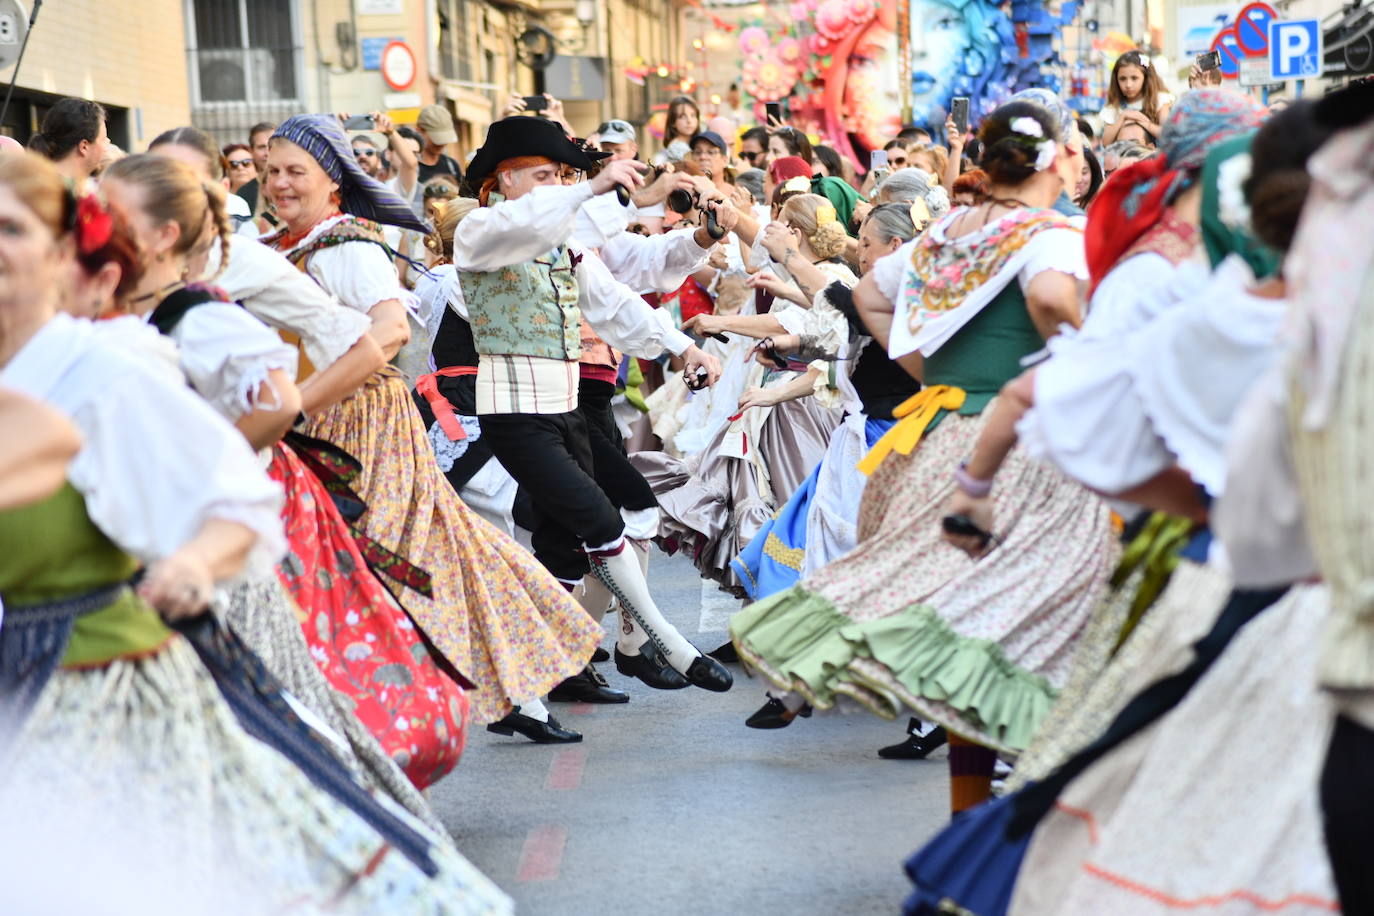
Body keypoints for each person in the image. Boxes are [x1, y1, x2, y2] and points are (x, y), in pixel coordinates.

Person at [0, 151, 510, 913]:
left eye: (12, 228)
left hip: (114, 660)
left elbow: (361, 345)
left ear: (74, 257)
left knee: (270, 775)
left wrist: (195, 541)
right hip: (35, 667)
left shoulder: (134, 351)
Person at [731, 97, 1112, 817]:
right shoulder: (1051, 237)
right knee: (1025, 628)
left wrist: (930, 373)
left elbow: (869, 298)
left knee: (962, 625)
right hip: (1021, 450)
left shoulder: (943, 239)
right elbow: (1059, 300)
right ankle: (1009, 803)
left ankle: (971, 810)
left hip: (936, 441)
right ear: (1052, 160)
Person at [100, 152, 469, 812]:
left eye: (111, 212)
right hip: (186, 512)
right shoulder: (114, 295)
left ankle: (349, 823)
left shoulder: (236, 282)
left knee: (288, 683)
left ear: (163, 236)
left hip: (277, 478)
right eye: (270, 172)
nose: (278, 183)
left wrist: (250, 436)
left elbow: (373, 337)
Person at [263, 113, 604, 743]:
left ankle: (492, 687)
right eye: (272, 169)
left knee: (408, 562)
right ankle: (507, 693)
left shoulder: (349, 249)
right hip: (305, 428)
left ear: (332, 181)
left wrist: (299, 403)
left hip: (356, 424)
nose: (279, 182)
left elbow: (391, 331)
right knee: (405, 560)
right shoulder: (277, 248)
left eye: (295, 171)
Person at [448, 114, 735, 694]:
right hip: (514, 412)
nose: (553, 185)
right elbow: (527, 222)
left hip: (570, 405)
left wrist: (682, 349)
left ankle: (530, 691)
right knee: (604, 518)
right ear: (503, 181)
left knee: (576, 539)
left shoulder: (564, 243)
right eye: (539, 175)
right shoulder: (479, 232)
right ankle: (662, 642)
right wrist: (602, 191)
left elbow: (615, 300)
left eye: (558, 175)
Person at [147, 126, 257, 236]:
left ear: (222, 189)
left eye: (188, 182)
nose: (172, 192)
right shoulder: (133, 241)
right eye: (159, 180)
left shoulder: (245, 242)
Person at [28, 97, 108, 188]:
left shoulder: (30, 183)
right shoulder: (60, 193)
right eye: (103, 139)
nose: (106, 147)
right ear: (84, 146)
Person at [1100, 50, 1174, 146]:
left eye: (1134, 78)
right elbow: (1106, 143)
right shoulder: (1114, 107)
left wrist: (1143, 122)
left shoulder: (1159, 100)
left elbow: (1167, 134)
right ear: (1116, 80)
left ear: (1146, 78)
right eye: (1122, 79)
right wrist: (1123, 117)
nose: (1128, 85)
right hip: (1123, 157)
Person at [415, 104, 465, 187]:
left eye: (445, 138)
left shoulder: (451, 166)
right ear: (419, 130)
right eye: (437, 138)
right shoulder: (408, 167)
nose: (442, 144)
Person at [237, 120, 276, 213]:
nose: (267, 153)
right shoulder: (244, 193)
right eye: (261, 147)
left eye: (272, 146)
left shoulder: (293, 184)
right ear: (251, 151)